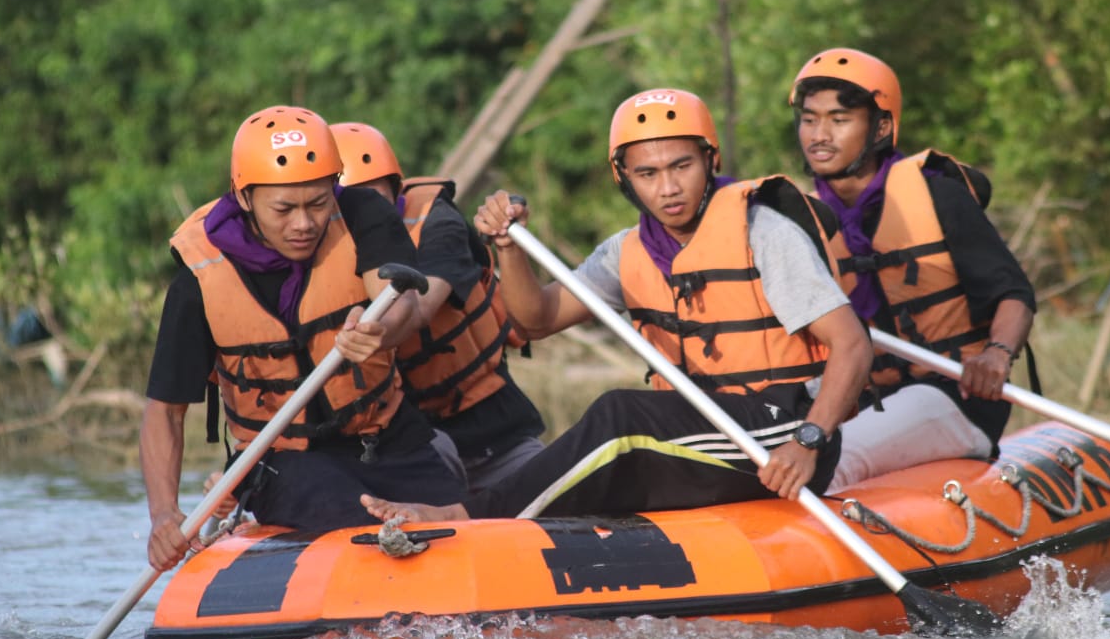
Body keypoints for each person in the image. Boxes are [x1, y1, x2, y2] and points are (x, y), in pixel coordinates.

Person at [359, 88, 872, 522]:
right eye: (647, 173)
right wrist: (509, 248)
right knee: (608, 461)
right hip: (702, 431)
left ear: (711, 160)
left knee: (620, 412)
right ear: (623, 177)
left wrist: (808, 441)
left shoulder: (763, 231)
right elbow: (536, 321)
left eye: (682, 166)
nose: (668, 188)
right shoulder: (626, 252)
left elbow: (851, 344)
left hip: (778, 434)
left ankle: (472, 515)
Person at [140, 106, 466, 572]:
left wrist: (377, 332)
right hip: (285, 461)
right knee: (367, 533)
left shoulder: (362, 213)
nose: (304, 224)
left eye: (317, 203)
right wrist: (164, 515)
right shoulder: (199, 277)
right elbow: (165, 411)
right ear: (246, 198)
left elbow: (401, 304)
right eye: (284, 209)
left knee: (462, 532)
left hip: (389, 440)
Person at [788, 48, 1036, 491]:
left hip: (954, 395)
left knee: (826, 460)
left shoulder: (937, 195)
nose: (819, 135)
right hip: (860, 401)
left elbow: (1013, 293)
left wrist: (996, 354)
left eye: (839, 120)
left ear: (881, 127)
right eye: (809, 120)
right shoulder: (801, 219)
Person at [330, 121, 547, 494]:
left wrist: (377, 330)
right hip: (403, 442)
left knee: (540, 486)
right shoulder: (312, 260)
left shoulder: (438, 223)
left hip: (493, 429)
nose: (367, 220)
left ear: (396, 192)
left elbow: (421, 306)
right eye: (352, 208)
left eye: (374, 203)